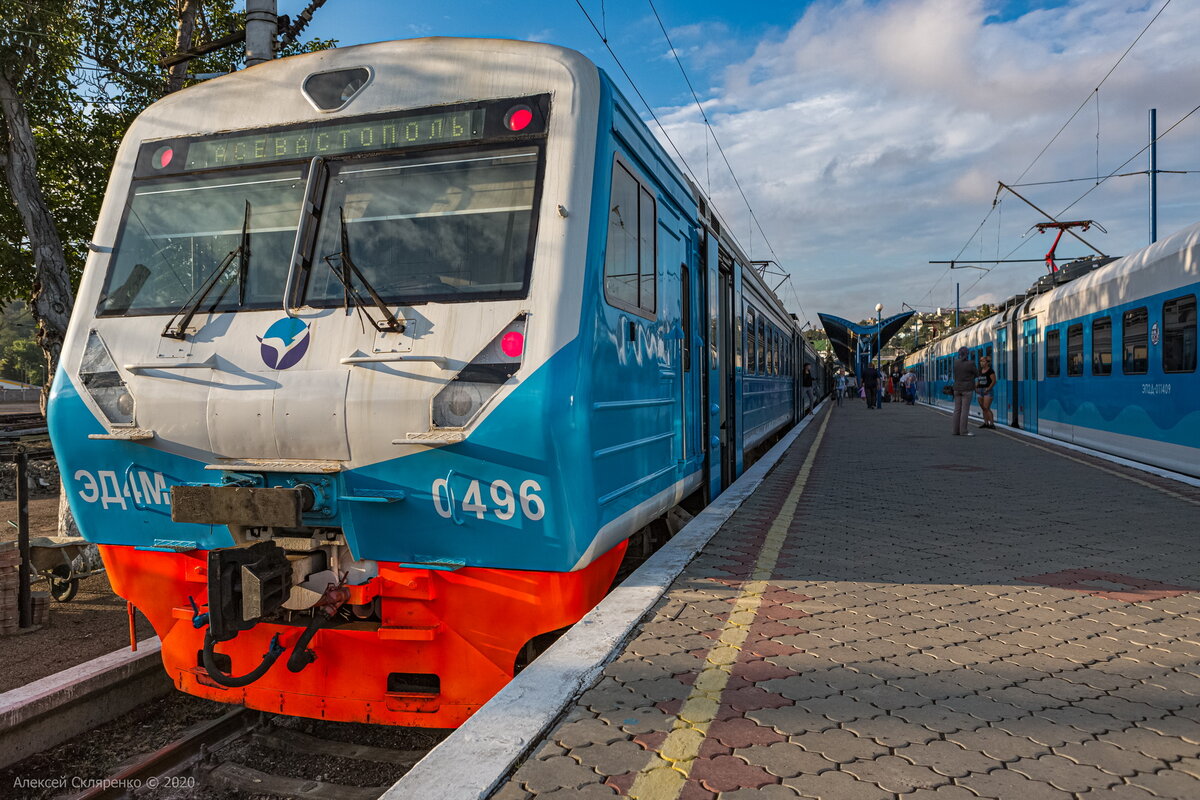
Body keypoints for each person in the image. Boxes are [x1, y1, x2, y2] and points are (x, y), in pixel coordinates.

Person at [951, 346, 979, 435]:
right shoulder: (970, 363)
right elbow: (977, 374)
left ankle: (955, 431)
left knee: (957, 409)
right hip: (967, 389)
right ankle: (963, 431)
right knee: (965, 410)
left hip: (956, 389)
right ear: (967, 354)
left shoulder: (955, 363)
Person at [976, 355, 997, 428]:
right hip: (980, 390)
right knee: (983, 408)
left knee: (986, 407)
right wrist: (976, 387)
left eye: (983, 361)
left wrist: (988, 389)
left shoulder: (990, 371)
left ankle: (991, 423)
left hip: (987, 391)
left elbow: (994, 381)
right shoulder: (980, 371)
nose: (981, 363)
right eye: (980, 361)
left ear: (987, 362)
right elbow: (979, 380)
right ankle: (985, 423)